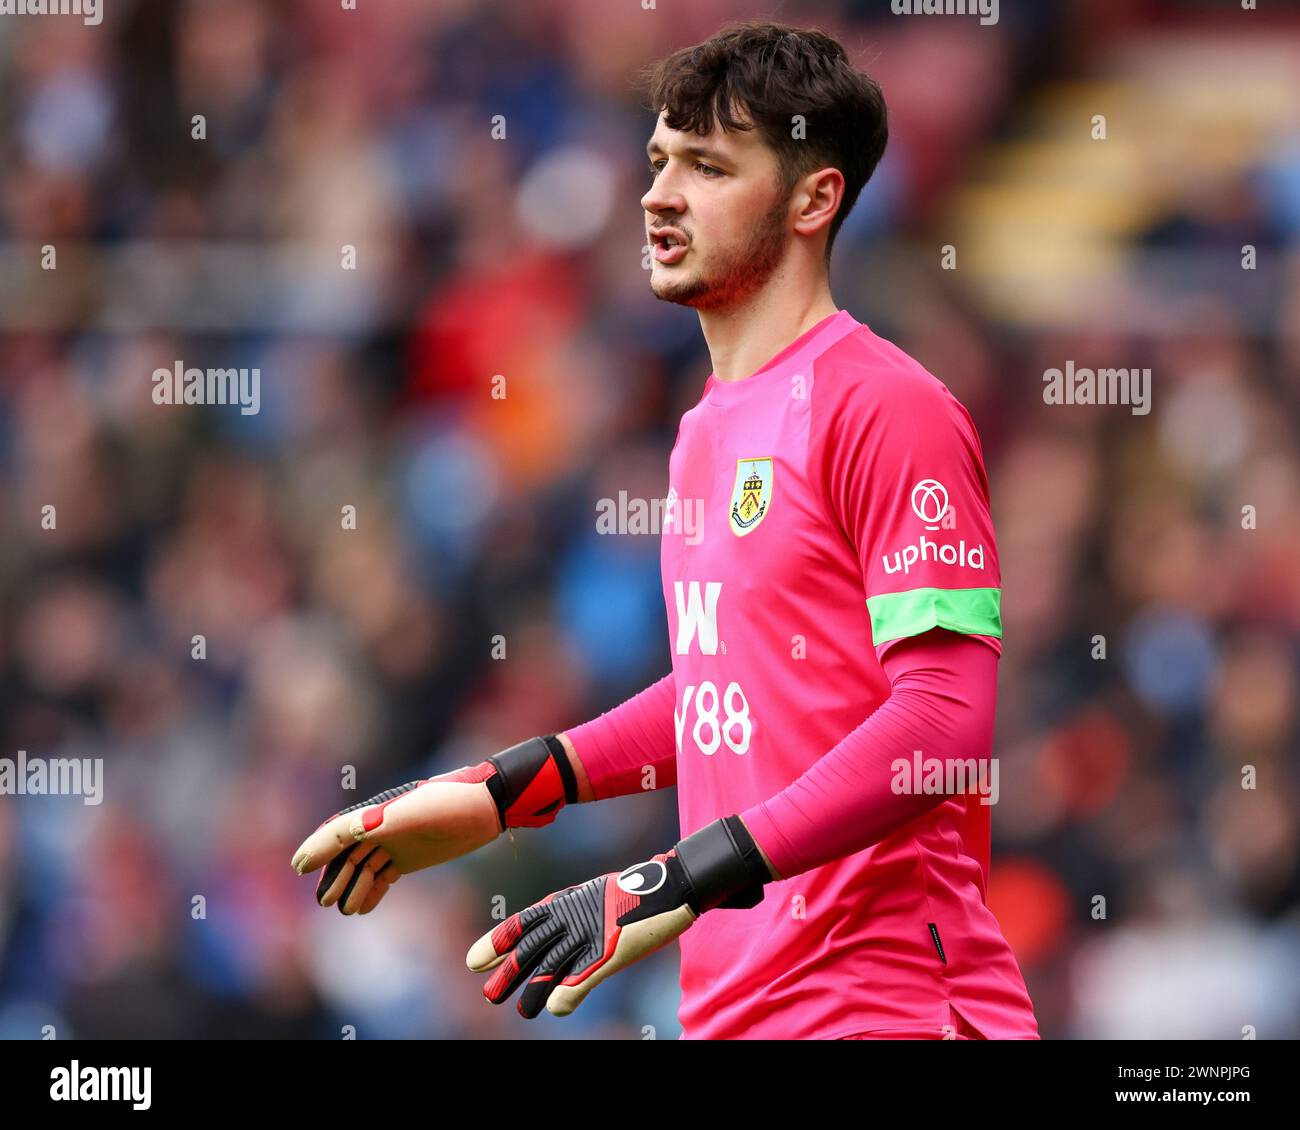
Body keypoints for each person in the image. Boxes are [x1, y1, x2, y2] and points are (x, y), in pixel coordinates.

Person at [290, 20, 1039, 1041]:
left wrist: (672, 877)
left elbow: (945, 725)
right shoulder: (702, 432)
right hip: (734, 1009)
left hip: (888, 1005)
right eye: (657, 160)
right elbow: (741, 689)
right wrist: (512, 785)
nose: (657, 194)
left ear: (813, 198)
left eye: (706, 165)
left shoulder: (883, 406)